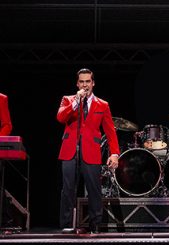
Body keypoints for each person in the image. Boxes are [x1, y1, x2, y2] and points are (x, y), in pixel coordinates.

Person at [57, 68, 120, 233]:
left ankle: (95, 225)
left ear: (93, 83)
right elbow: (61, 117)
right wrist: (76, 101)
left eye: (88, 82)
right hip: (70, 150)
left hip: (91, 151)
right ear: (77, 84)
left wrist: (114, 154)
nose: (85, 85)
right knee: (68, 188)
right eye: (82, 82)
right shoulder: (68, 100)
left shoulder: (102, 105)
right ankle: (66, 225)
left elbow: (110, 130)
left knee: (94, 189)